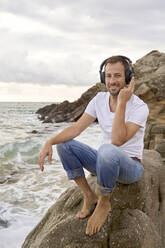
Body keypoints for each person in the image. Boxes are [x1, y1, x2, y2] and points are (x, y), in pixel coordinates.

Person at [39, 55, 149, 236]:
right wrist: (49, 141)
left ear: (128, 77)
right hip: (104, 162)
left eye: (118, 76)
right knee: (65, 145)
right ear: (103, 78)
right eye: (108, 76)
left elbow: (117, 140)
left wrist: (121, 103)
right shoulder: (99, 99)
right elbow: (76, 128)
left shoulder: (139, 107)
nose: (112, 81)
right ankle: (89, 195)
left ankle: (104, 202)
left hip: (130, 167)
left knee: (107, 149)